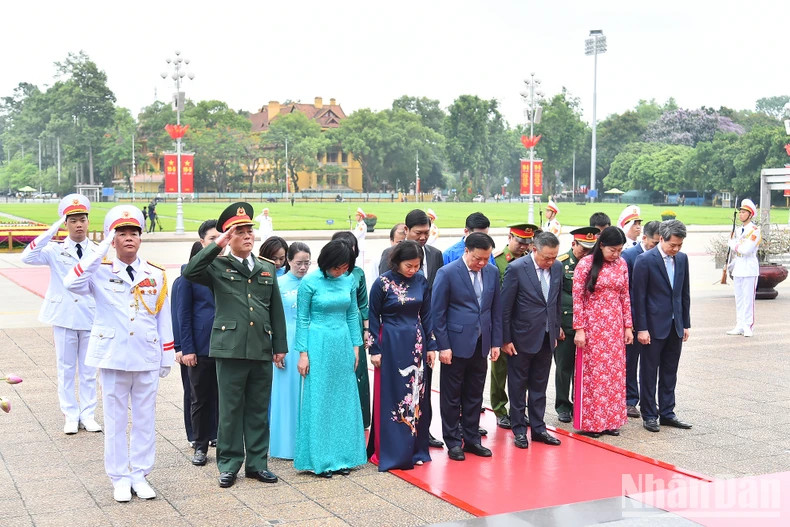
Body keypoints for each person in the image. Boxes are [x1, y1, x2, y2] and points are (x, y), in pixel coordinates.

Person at [63, 205, 174, 502]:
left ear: (140, 238)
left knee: (145, 419)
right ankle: (119, 478)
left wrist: (166, 355)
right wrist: (99, 251)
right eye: (121, 234)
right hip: (113, 356)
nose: (129, 238)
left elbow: (163, 317)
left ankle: (140, 474)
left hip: (146, 354)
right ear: (112, 240)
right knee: (114, 420)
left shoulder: (156, 274)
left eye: (134, 233)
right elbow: (70, 283)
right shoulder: (98, 270)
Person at [182, 202, 287, 488]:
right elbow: (190, 272)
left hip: (260, 347)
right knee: (229, 411)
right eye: (240, 231)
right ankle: (228, 464)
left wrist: (279, 345)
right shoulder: (217, 265)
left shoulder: (266, 267)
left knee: (258, 410)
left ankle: (257, 464)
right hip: (229, 348)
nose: (247, 235)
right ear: (229, 237)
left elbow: (275, 309)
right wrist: (218, 244)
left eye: (249, 230)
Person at [21, 193, 101, 435]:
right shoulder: (55, 249)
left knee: (89, 370)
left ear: (88, 222)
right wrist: (51, 231)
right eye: (72, 220)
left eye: (82, 220)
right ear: (65, 224)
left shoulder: (98, 250)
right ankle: (70, 414)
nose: (78, 225)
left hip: (90, 315)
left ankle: (88, 414)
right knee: (65, 368)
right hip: (64, 315)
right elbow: (27, 257)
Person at [294, 240, 367, 477]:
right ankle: (321, 459)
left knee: (344, 400)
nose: (341, 271)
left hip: (343, 341)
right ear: (326, 262)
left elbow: (352, 314)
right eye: (337, 267)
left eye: (345, 267)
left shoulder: (349, 280)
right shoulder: (310, 282)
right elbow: (302, 319)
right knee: (320, 399)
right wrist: (303, 353)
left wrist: (356, 347)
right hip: (318, 342)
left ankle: (345, 457)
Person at [432, 233, 501, 461]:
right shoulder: (448, 273)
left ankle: (472, 439)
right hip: (455, 344)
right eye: (477, 258)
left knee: (474, 394)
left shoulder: (492, 272)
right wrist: (443, 345)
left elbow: (495, 309)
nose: (481, 263)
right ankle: (453, 441)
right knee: (451, 396)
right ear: (466, 251)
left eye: (486, 258)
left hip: (481, 343)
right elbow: (438, 313)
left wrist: (496, 342)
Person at [379, 209, 444, 448]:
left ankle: (423, 432)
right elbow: (384, 295)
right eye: (418, 232)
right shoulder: (390, 255)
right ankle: (398, 434)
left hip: (424, 330)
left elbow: (435, 296)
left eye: (427, 232)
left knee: (424, 384)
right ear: (406, 230)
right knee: (400, 385)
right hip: (397, 332)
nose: (423, 237)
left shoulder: (435, 255)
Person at [367, 240, 435, 470]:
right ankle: (390, 450)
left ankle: (414, 449)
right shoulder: (382, 283)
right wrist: (374, 348)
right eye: (409, 265)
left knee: (416, 396)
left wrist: (432, 346)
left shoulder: (421, 281)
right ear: (397, 262)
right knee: (391, 395)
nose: (413, 270)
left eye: (417, 265)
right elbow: (373, 316)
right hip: (390, 341)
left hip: (416, 343)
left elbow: (427, 314)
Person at [501, 231, 563, 449]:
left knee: (539, 385)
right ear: (534, 250)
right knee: (518, 386)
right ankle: (519, 429)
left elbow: (555, 301)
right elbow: (505, 308)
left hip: (546, 337)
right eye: (547, 257)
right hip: (521, 337)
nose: (550, 261)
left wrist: (555, 329)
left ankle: (538, 428)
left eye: (554, 257)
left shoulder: (557, 267)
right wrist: (505, 339)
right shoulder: (517, 269)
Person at [571, 227, 632, 437]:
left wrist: (628, 326)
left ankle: (611, 420)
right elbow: (577, 298)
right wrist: (579, 329)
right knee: (594, 375)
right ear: (602, 245)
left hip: (614, 326)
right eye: (612, 250)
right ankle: (592, 422)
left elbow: (625, 296)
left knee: (614, 374)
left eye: (620, 250)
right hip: (593, 326)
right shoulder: (585, 264)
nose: (616, 254)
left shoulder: (622, 264)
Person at [632, 220, 692, 433]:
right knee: (649, 372)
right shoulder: (645, 260)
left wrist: (685, 323)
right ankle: (649, 414)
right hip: (652, 327)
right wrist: (641, 328)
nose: (676, 249)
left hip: (675, 325)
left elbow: (684, 293)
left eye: (679, 245)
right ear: (661, 239)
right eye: (672, 245)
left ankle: (667, 412)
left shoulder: (682, 259)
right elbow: (638, 297)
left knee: (670, 371)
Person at [178, 220, 221, 466]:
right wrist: (187, 349)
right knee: (200, 399)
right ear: (202, 242)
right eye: (212, 239)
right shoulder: (190, 272)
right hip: (201, 346)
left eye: (221, 238)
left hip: (227, 345)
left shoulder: (231, 268)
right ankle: (200, 445)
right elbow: (183, 314)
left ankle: (224, 443)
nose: (218, 243)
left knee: (226, 399)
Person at [491, 223, 537, 430]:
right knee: (500, 370)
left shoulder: (531, 260)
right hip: (502, 322)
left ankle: (518, 410)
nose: (523, 246)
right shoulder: (498, 260)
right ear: (510, 237)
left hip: (524, 324)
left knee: (522, 370)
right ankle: (500, 409)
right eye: (520, 241)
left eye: (528, 242)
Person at [270, 242, 311, 460]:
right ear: (288, 261)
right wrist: (275, 346)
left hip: (310, 340)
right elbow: (270, 317)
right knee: (286, 393)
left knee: (308, 393)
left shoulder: (313, 283)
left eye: (307, 263)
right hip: (285, 341)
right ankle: (286, 445)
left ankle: (308, 442)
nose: (303, 267)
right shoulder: (278, 284)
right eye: (298, 263)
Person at [553, 227, 598, 424]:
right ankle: (563, 406)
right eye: (583, 248)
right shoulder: (561, 264)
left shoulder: (596, 264)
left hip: (590, 325)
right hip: (566, 324)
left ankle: (581, 403)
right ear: (573, 244)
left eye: (591, 248)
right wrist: (556, 325)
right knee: (564, 367)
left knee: (586, 369)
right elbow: (553, 297)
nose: (587, 253)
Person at [621, 220, 661, 419]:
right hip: (634, 317)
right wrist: (629, 321)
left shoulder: (662, 255)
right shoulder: (629, 256)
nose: (657, 247)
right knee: (630, 360)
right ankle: (629, 400)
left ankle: (649, 401)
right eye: (655, 243)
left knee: (651, 363)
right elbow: (626, 291)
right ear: (644, 238)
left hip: (655, 318)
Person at [332, 230, 371, 429]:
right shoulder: (327, 274)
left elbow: (363, 304)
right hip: (333, 323)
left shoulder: (358, 273)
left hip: (354, 324)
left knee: (358, 370)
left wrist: (366, 330)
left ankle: (360, 418)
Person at [171, 247, 195, 449]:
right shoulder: (182, 281)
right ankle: (194, 434)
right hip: (189, 345)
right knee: (193, 392)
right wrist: (179, 346)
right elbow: (178, 315)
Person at [726, 199, 761, 337]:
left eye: (744, 212)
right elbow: (738, 250)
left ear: (750, 215)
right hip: (739, 266)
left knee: (748, 299)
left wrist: (733, 244)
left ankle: (748, 326)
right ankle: (739, 325)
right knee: (739, 298)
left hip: (749, 267)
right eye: (740, 212)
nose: (741, 214)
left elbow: (746, 249)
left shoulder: (754, 230)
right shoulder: (738, 230)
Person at [366, 222, 405, 293]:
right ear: (391, 240)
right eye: (399, 242)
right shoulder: (378, 259)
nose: (403, 246)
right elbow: (372, 284)